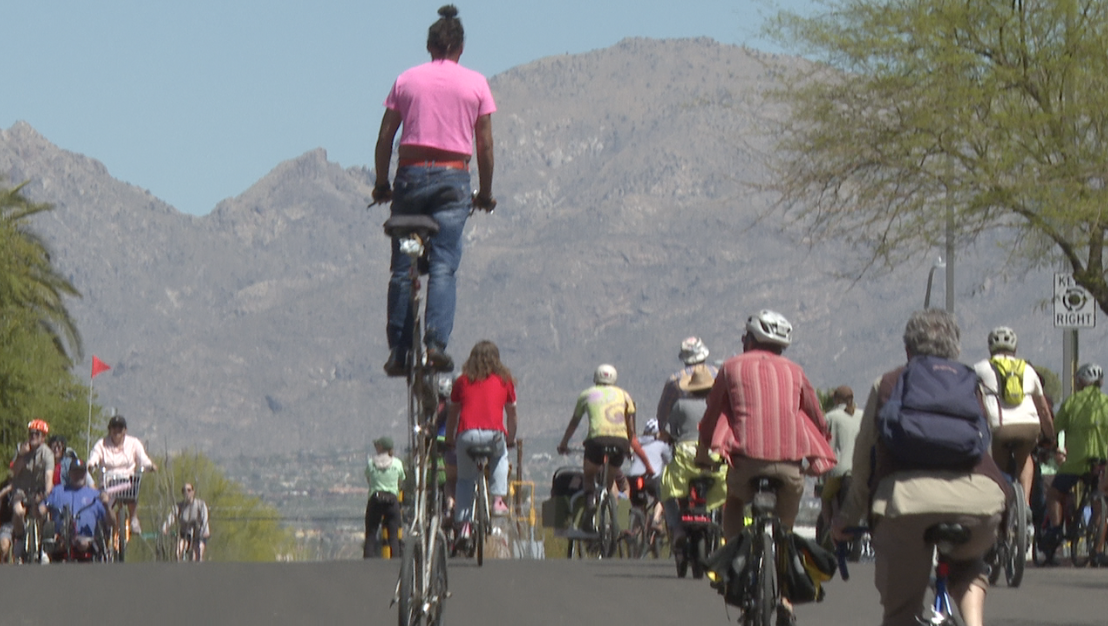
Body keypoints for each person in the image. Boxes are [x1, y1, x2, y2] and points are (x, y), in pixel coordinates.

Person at [833, 309, 1008, 626]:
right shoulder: (972, 385)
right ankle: (974, 623)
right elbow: (986, 452)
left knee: (901, 612)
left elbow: (861, 465)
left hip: (905, 506)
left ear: (907, 350)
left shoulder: (887, 383)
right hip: (979, 502)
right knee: (968, 564)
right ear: (955, 350)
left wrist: (846, 519)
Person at [372, 4, 498, 376]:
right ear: (460, 49)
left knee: (401, 266)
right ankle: (435, 344)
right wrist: (485, 193)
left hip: (410, 178)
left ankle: (398, 351)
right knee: (443, 265)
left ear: (429, 47)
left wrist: (382, 184)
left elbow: (384, 138)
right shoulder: (475, 84)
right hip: (451, 179)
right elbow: (485, 146)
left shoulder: (406, 81)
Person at [695, 310, 834, 538]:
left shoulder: (730, 367)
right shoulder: (796, 371)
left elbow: (712, 413)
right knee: (787, 519)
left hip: (745, 463)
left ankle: (733, 555)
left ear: (751, 340)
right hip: (789, 465)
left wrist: (703, 453)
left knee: (734, 501)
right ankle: (782, 547)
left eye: (745, 337)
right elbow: (817, 416)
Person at [444, 340, 518, 547]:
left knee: (465, 480)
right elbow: (512, 414)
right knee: (500, 456)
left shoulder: (462, 381)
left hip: (466, 435)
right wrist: (510, 438)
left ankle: (464, 524)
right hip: (494, 435)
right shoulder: (505, 381)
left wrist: (450, 439)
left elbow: (453, 414)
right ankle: (497, 500)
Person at [972, 326, 1055, 506]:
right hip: (1029, 426)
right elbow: (1043, 410)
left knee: (999, 467)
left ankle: (1003, 502)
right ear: (1015, 349)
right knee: (1025, 458)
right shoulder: (1028, 370)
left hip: (1000, 427)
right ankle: (1024, 504)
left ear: (990, 348)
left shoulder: (980, 368)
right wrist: (1051, 436)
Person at [558, 364, 656, 516]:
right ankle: (609, 515)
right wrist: (629, 447)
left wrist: (564, 443)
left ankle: (590, 501)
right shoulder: (625, 396)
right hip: (620, 442)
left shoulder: (587, 394)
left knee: (589, 475)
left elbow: (574, 423)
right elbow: (631, 430)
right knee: (610, 481)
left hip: (596, 441)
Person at [1043, 362, 1108, 565]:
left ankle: (1055, 530)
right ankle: (1097, 549)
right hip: (1101, 462)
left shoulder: (1072, 402)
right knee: (1100, 504)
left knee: (1054, 494)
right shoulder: (1106, 402)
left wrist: (1053, 445)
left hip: (1075, 463)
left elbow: (1056, 429)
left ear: (1080, 382)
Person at [661, 365, 726, 551]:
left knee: (666, 487)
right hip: (713, 456)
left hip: (686, 457)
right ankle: (722, 527)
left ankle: (677, 528)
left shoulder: (680, 405)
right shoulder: (718, 406)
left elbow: (671, 431)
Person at [87, 415, 157, 534]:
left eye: (120, 427)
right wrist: (92, 464)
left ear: (125, 430)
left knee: (134, 485)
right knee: (105, 506)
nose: (117, 430)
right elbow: (94, 456)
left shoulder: (133, 443)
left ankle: (133, 518)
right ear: (110, 429)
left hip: (127, 481)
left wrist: (150, 466)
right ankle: (107, 525)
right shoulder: (102, 444)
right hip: (108, 482)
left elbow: (142, 458)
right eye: (114, 427)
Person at [1, 419, 56, 562]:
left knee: (41, 512)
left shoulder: (47, 454)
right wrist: (21, 455)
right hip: (21, 489)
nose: (33, 436)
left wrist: (46, 493)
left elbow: (49, 477)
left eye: (37, 434)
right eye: (31, 433)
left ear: (43, 437)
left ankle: (42, 546)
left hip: (38, 490)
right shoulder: (21, 448)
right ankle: (19, 538)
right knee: (18, 511)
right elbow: (14, 471)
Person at [41, 459, 112, 560]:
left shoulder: (95, 494)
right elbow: (41, 509)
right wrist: (37, 506)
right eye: (75, 472)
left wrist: (107, 505)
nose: (78, 475)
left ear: (85, 474)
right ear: (70, 474)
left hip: (87, 543)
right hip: (60, 542)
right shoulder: (58, 491)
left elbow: (111, 522)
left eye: (81, 473)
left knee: (83, 542)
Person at [818, 386, 863, 541]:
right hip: (860, 471)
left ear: (837, 400)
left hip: (839, 471)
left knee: (825, 497)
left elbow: (823, 444)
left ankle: (827, 528)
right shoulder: (862, 415)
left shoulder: (831, 417)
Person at [656, 337, 718, 433]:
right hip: (714, 431)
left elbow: (662, 414)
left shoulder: (674, 380)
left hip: (684, 435)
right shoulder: (716, 373)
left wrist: (663, 431)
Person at [364, 437, 406, 559]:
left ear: (381, 448)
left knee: (371, 533)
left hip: (375, 499)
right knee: (393, 534)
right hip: (392, 500)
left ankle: (367, 561)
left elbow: (369, 479)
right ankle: (395, 561)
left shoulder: (371, 463)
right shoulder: (397, 463)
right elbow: (401, 480)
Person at [627, 419, 672, 526]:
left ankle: (635, 531)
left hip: (633, 477)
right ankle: (655, 519)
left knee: (638, 506)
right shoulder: (661, 444)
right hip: (651, 477)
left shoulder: (637, 442)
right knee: (662, 496)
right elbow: (669, 460)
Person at [161, 483, 210, 561]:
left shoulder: (200, 505)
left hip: (199, 535)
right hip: (185, 535)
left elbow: (205, 519)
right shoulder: (179, 506)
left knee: (196, 556)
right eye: (184, 491)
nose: (187, 493)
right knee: (178, 552)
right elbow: (172, 516)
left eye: (189, 490)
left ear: (193, 492)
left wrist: (205, 531)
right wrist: (165, 527)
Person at [433, 375, 459, 518]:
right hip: (454, 439)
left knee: (449, 477)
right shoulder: (454, 404)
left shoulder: (441, 405)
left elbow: (436, 422)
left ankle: (449, 505)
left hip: (442, 439)